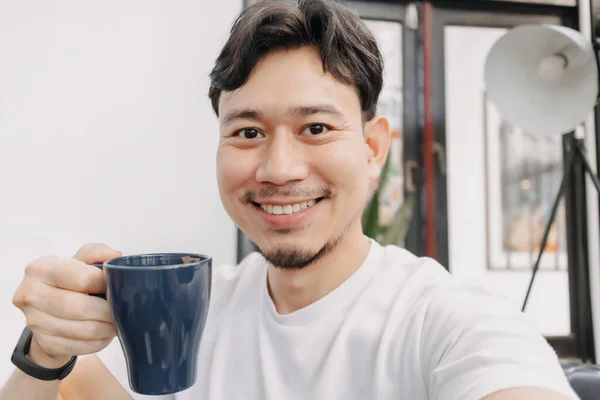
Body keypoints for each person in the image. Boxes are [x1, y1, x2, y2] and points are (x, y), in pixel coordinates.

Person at [0, 0, 581, 399]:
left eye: (317, 129)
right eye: (248, 133)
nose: (278, 170)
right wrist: (47, 350)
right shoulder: (202, 312)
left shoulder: (450, 323)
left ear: (375, 149)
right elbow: (72, 386)